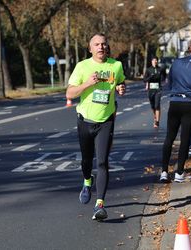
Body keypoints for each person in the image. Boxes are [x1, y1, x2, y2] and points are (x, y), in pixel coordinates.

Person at [66, 33, 126, 221]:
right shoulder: (82, 66)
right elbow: (69, 92)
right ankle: (86, 180)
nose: (101, 47)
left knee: (102, 162)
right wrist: (87, 84)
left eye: (104, 44)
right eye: (97, 44)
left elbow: (121, 80)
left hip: (106, 120)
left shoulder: (116, 66)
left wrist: (120, 87)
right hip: (85, 120)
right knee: (86, 161)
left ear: (107, 47)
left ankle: (99, 204)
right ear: (90, 48)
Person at [160, 35, 191, 183]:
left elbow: (169, 83)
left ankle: (163, 171)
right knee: (185, 139)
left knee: (169, 137)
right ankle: (179, 172)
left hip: (175, 102)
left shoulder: (176, 63)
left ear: (189, 47)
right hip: (190, 104)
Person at [143, 56, 164, 128]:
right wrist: (150, 77)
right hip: (151, 90)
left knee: (157, 105)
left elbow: (164, 76)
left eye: (156, 60)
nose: (155, 62)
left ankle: (157, 121)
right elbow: (144, 80)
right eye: (153, 60)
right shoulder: (148, 70)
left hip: (158, 89)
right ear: (151, 61)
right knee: (153, 106)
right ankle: (155, 117)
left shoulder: (160, 69)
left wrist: (163, 79)